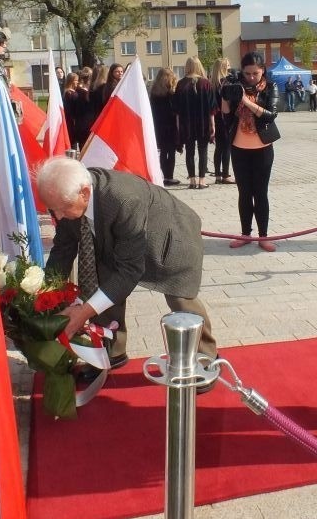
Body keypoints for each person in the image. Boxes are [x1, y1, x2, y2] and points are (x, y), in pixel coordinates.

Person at [38, 156, 217, 378]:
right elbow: (63, 250)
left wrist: (82, 313)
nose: (58, 216)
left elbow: (130, 271)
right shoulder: (67, 194)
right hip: (120, 238)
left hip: (171, 237)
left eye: (62, 209)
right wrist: (45, 295)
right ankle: (111, 352)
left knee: (181, 297)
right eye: (52, 210)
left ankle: (205, 359)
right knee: (104, 282)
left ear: (84, 193)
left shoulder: (123, 199)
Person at [221, 51, 280, 252]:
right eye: (247, 73)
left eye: (255, 73)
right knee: (244, 193)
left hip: (262, 148)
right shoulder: (236, 87)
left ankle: (263, 236)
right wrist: (225, 96)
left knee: (260, 193)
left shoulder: (270, 87)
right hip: (239, 148)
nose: (252, 77)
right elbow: (226, 117)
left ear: (262, 70)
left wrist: (247, 102)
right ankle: (246, 234)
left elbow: (271, 115)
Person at [174, 57, 216, 189]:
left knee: (189, 151)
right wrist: (213, 125)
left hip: (187, 123)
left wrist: (178, 125)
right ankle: (202, 181)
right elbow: (212, 108)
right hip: (203, 122)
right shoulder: (206, 83)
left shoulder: (181, 84)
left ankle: (192, 180)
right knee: (203, 151)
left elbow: (177, 109)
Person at [149, 67, 180, 186]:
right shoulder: (172, 92)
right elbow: (175, 109)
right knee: (171, 151)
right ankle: (169, 176)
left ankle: (163, 175)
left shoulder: (154, 92)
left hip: (158, 124)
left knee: (162, 151)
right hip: (171, 124)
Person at [210, 58, 236, 184]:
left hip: (215, 118)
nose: (230, 68)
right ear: (224, 68)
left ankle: (217, 175)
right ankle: (225, 175)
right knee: (226, 147)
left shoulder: (212, 84)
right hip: (225, 118)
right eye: (228, 65)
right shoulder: (226, 83)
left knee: (219, 148)